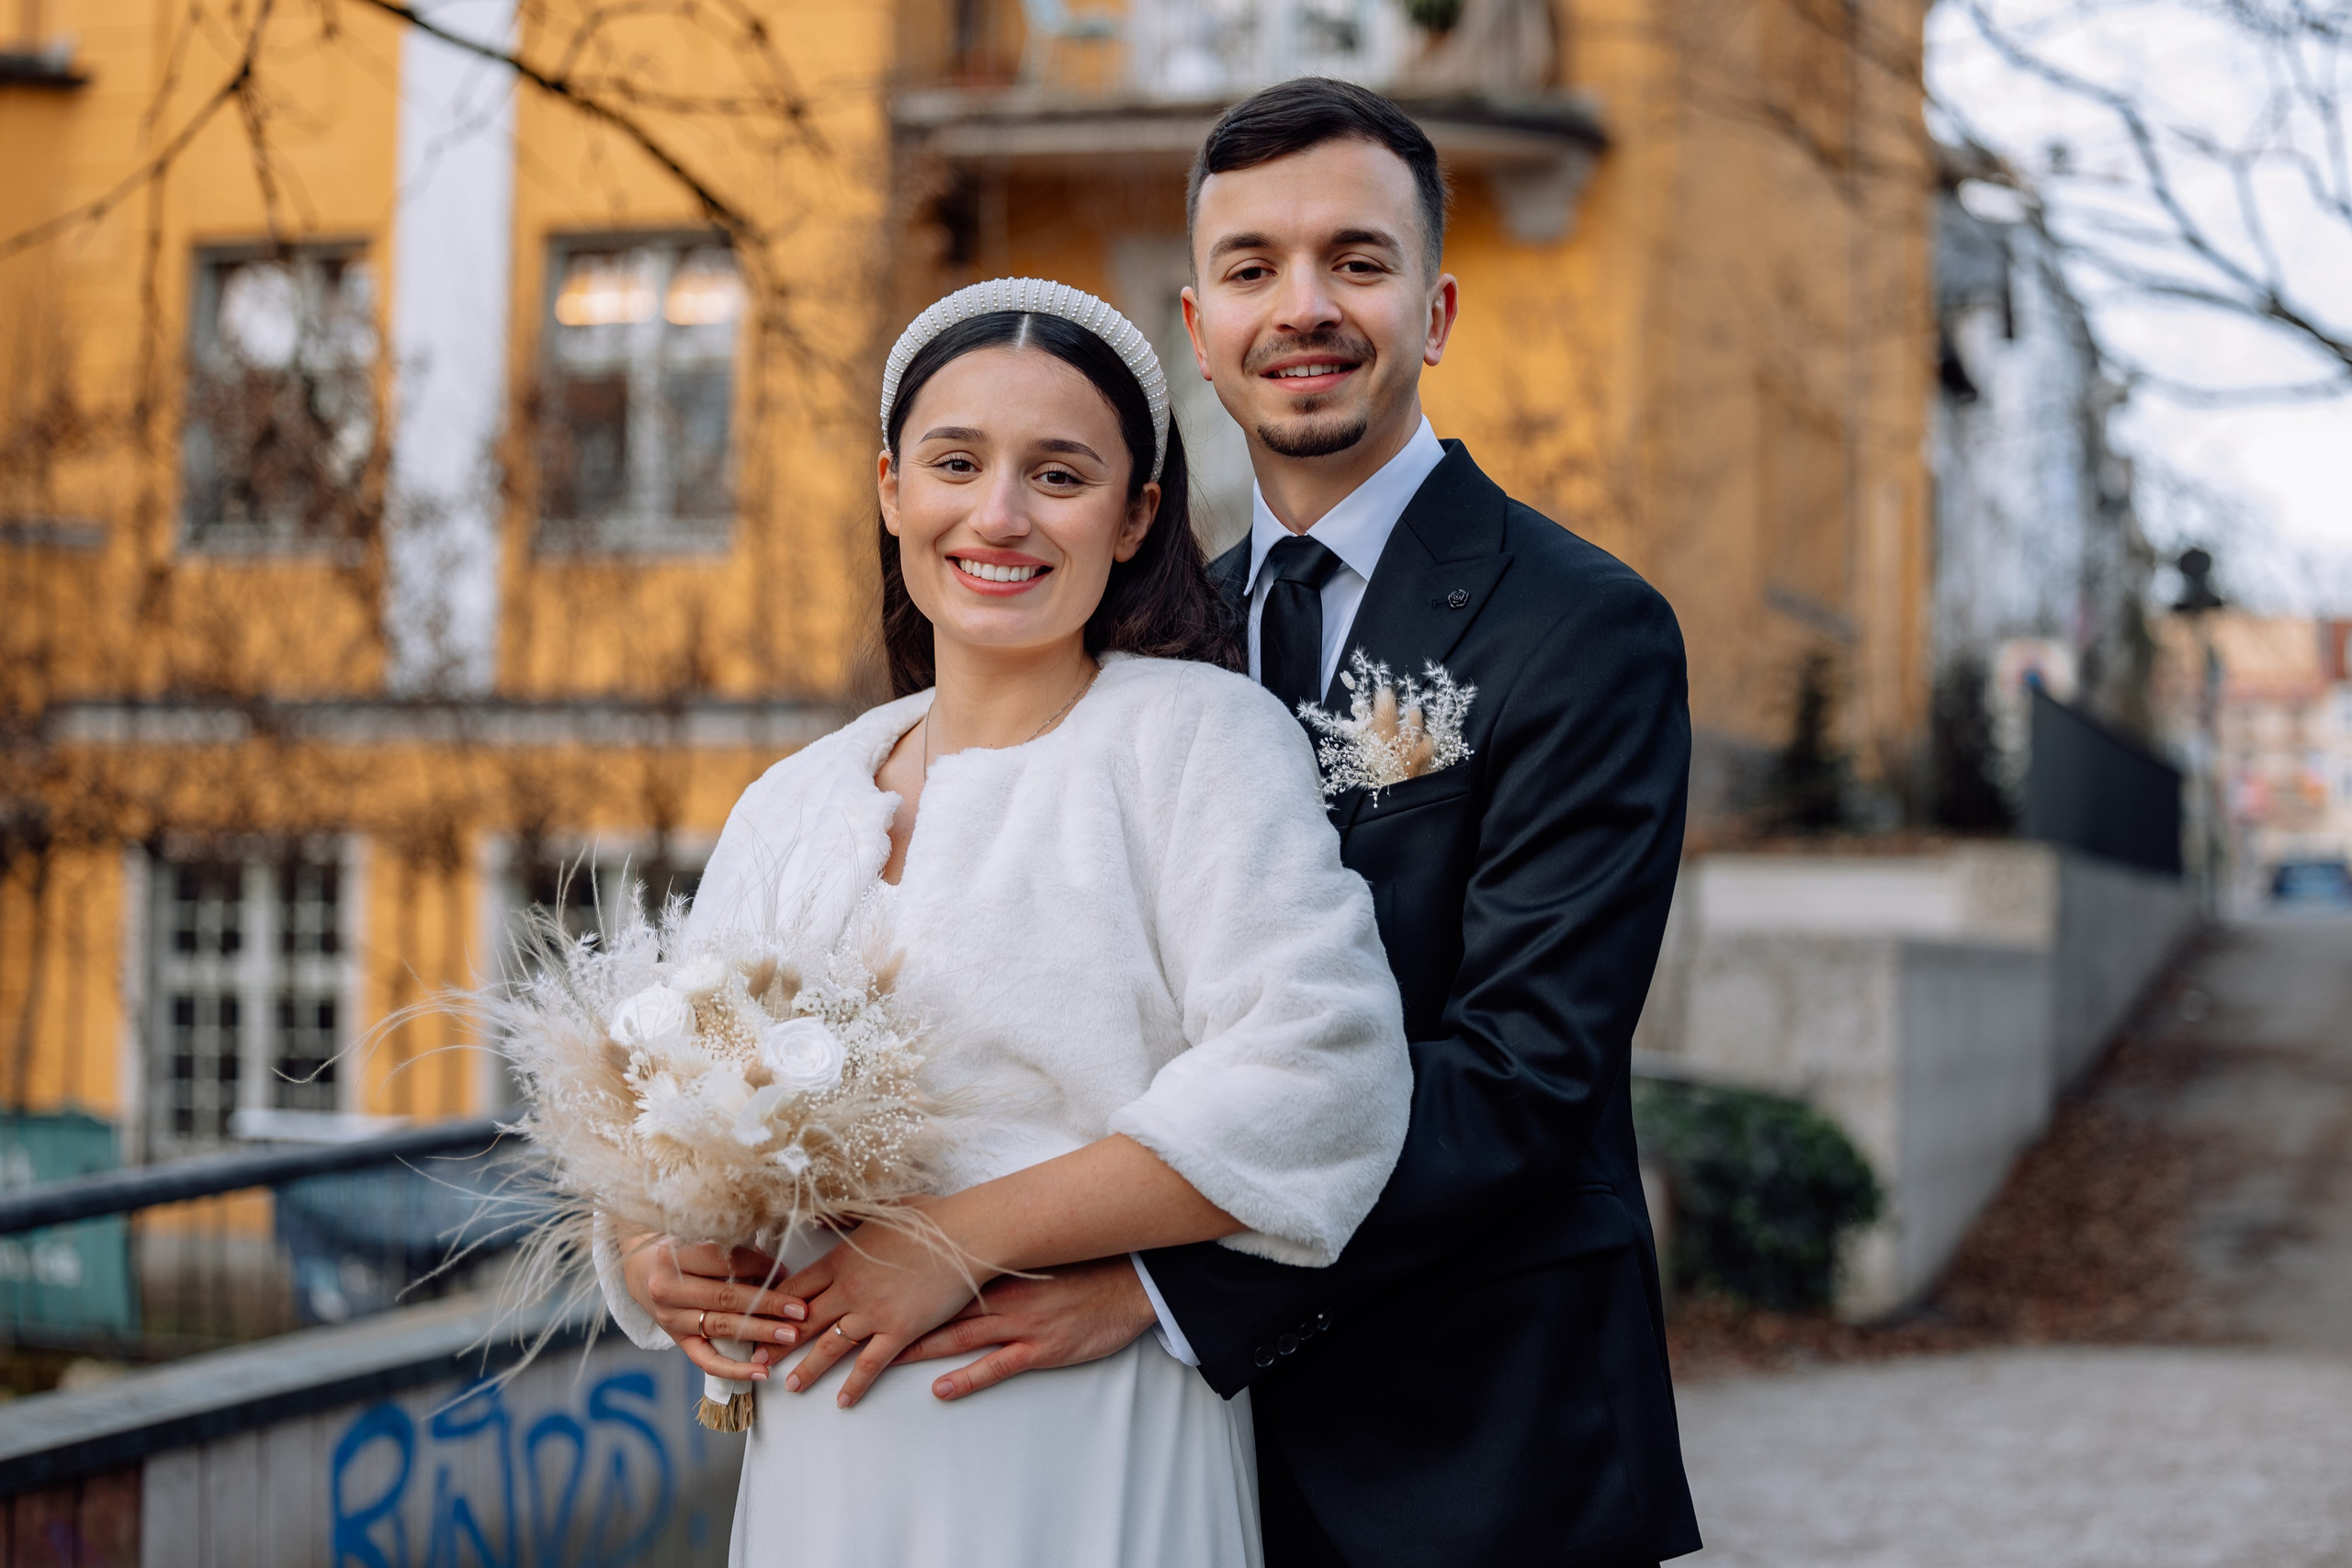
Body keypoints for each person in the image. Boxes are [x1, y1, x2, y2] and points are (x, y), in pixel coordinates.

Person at [745, 80, 1706, 1566]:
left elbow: (1527, 1074)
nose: (1303, 307)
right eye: (1253, 268)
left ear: (1436, 310)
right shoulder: (1144, 630)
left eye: (1357, 262)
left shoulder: (1583, 630)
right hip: (1135, 1452)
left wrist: (1161, 1286)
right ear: (1198, 329)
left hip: (1469, 1449)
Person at [599, 276, 1413, 1566]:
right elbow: (667, 1094)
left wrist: (952, 1245)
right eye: (956, 463)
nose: (998, 515)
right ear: (889, 489)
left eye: (1060, 474)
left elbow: (1323, 1075)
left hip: (1074, 1430)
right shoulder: (793, 799)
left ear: (1137, 513)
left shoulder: (1198, 739)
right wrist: (654, 1252)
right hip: (820, 1456)